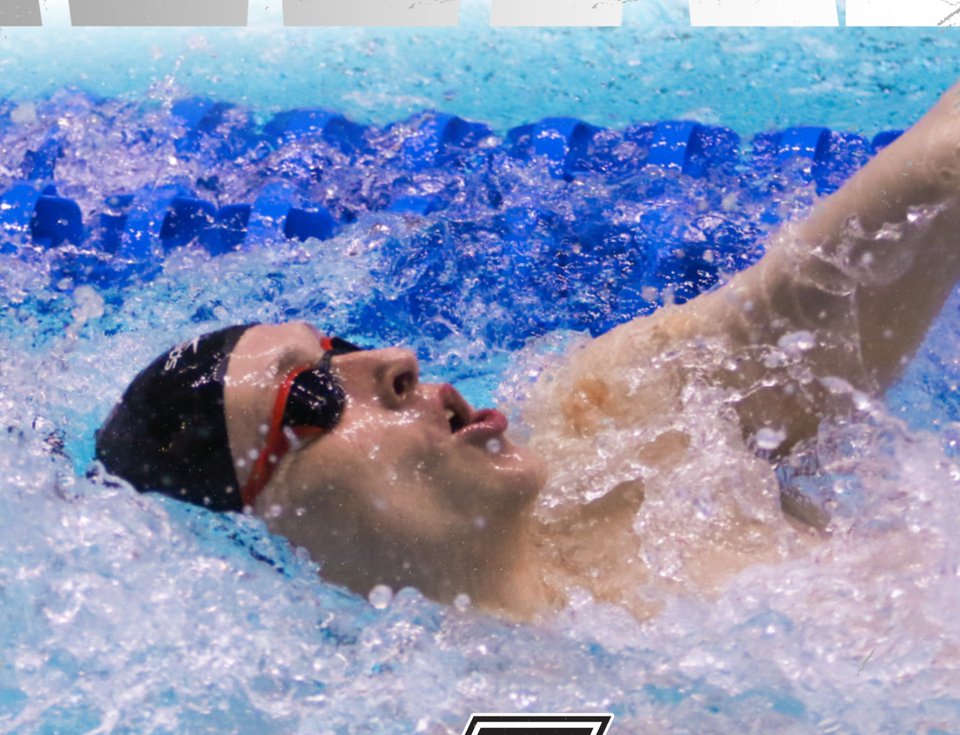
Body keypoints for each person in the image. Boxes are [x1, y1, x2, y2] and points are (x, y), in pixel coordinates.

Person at [96, 83, 960, 619]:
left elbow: (935, 175)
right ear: (262, 543)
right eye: (310, 398)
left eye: (341, 348)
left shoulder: (630, 425)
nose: (393, 358)